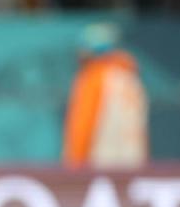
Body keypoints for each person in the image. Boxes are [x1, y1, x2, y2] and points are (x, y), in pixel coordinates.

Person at [62, 23, 148, 169]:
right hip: (132, 165)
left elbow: (84, 124)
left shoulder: (95, 78)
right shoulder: (129, 77)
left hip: (99, 166)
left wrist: (74, 165)